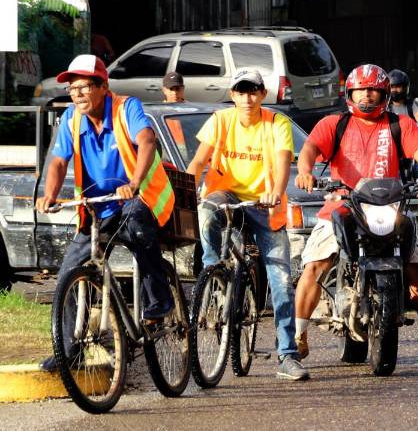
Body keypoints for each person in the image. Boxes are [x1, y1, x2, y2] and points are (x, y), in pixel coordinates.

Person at [294, 64, 418, 369]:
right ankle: (297, 337)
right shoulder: (334, 124)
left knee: (417, 266)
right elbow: (311, 148)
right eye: (361, 90)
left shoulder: (399, 124)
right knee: (315, 264)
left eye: (373, 90)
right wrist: (305, 171)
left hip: (388, 207)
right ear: (350, 93)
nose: (367, 95)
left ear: (384, 93)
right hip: (342, 206)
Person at [36, 55, 176, 372]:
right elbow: (58, 161)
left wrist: (135, 182)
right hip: (96, 210)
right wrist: (50, 195)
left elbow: (147, 139)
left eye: (84, 87)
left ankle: (158, 302)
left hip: (139, 199)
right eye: (72, 89)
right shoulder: (71, 118)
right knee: (68, 275)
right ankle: (69, 351)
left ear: (103, 86)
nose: (77, 95)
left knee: (138, 224)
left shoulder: (127, 107)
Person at [185, 68, 308, 381]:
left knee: (280, 281)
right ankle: (213, 272)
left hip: (265, 206)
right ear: (233, 95)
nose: (247, 97)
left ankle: (287, 354)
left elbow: (282, 164)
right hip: (228, 198)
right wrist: (184, 188)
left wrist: (275, 191)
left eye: (253, 91)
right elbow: (199, 162)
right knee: (206, 211)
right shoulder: (220, 121)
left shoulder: (276, 123)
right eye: (241, 91)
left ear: (262, 95)